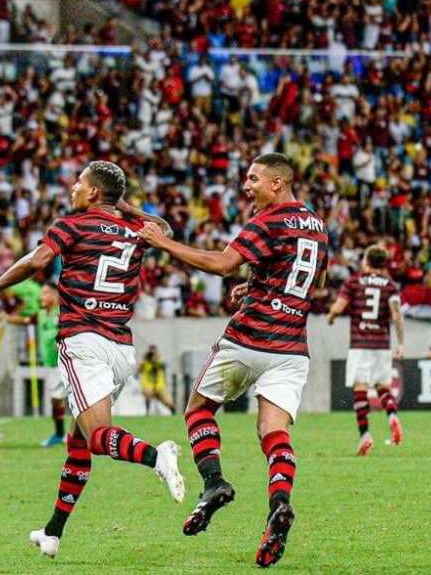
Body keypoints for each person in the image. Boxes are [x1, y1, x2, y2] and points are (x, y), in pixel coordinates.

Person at [0, 160, 185, 559]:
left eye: (79, 183)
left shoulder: (72, 225)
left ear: (93, 192)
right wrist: (126, 208)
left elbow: (37, 262)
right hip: (120, 349)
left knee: (98, 437)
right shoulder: (135, 228)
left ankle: (157, 456)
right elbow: (165, 231)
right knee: (78, 442)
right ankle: (52, 532)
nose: (72, 189)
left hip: (83, 340)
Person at [138, 152, 330, 568]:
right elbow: (313, 279)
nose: (247, 186)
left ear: (278, 183)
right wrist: (256, 284)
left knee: (198, 410)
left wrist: (162, 242)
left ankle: (213, 483)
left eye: (254, 178)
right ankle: (280, 503)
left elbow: (223, 264)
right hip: (292, 346)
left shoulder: (269, 221)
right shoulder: (316, 225)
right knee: (272, 432)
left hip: (249, 338)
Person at [326, 245, 405, 455]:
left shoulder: (353, 282)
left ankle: (365, 435)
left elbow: (339, 307)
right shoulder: (390, 286)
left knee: (360, 389)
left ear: (366, 261)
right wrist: (401, 343)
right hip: (382, 344)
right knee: (382, 387)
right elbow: (396, 316)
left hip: (360, 344)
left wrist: (331, 317)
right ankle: (393, 417)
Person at [0, 283, 64, 447]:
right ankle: (60, 434)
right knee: (57, 400)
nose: (41, 297)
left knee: (62, 399)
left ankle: (68, 435)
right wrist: (5, 317)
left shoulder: (63, 313)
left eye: (45, 293)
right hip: (51, 364)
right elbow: (25, 320)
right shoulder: (42, 314)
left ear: (56, 295)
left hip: (65, 363)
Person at [138, 345, 175, 415]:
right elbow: (138, 370)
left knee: (169, 403)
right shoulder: (145, 361)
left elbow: (164, 365)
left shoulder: (160, 359)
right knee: (147, 393)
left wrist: (156, 359)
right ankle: (147, 412)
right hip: (148, 386)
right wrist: (144, 359)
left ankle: (174, 413)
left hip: (160, 387)